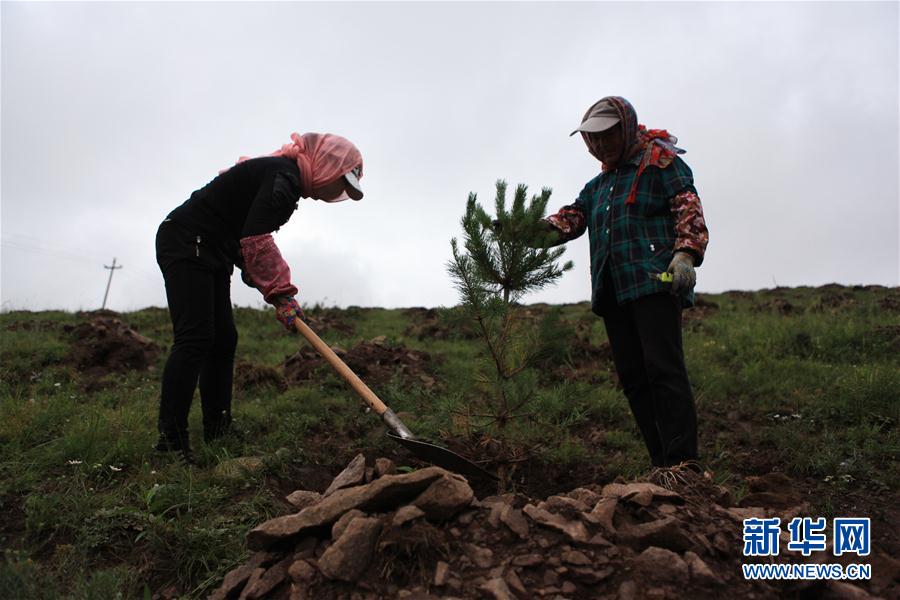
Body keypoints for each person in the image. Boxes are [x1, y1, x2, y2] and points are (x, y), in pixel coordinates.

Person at [154, 132, 364, 460]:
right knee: (195, 337)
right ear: (327, 165)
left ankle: (218, 429)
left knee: (223, 340)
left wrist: (258, 276)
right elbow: (256, 239)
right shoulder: (284, 178)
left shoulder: (283, 177)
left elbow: (243, 234)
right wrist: (281, 293)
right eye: (341, 183)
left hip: (211, 248)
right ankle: (170, 443)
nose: (339, 193)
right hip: (188, 241)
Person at [544, 96, 709, 469]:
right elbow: (572, 219)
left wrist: (685, 254)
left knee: (663, 369)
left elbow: (687, 206)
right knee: (634, 379)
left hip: (652, 283)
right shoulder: (597, 187)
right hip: (613, 290)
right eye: (592, 139)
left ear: (626, 128)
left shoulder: (660, 165)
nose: (599, 145)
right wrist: (530, 230)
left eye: (606, 135)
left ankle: (685, 464)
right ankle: (662, 464)